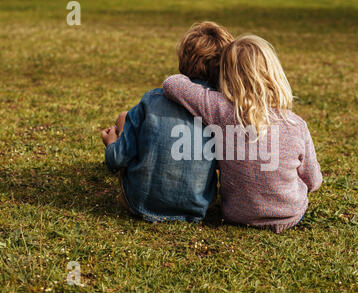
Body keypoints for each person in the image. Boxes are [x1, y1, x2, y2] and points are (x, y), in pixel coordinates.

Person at [162, 35, 322, 233]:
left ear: (226, 76)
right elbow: (313, 181)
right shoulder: (296, 124)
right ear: (275, 74)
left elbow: (172, 83)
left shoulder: (219, 109)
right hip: (289, 215)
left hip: (236, 215)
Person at [100, 21, 233, 223]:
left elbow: (116, 160)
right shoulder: (222, 111)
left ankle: (121, 130)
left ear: (183, 60)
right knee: (127, 118)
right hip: (197, 208)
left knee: (125, 118)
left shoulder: (152, 100)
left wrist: (111, 143)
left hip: (140, 203)